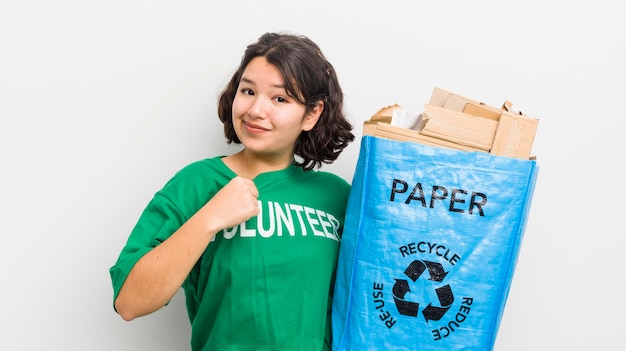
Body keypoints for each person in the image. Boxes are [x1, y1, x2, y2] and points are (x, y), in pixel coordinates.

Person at [109, 32, 355, 351]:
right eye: (248, 90)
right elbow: (130, 302)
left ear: (312, 114)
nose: (255, 110)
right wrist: (209, 218)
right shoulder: (196, 184)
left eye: (280, 99)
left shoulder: (337, 197)